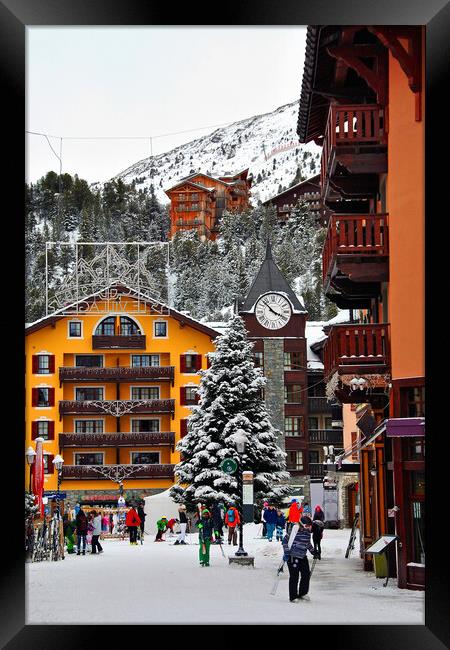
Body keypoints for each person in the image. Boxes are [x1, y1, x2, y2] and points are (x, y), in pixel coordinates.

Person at [282, 515, 318, 602]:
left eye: (310, 525)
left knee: (306, 574)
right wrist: (286, 552)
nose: (309, 527)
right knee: (294, 576)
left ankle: (303, 593)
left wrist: (313, 551)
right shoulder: (294, 531)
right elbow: (285, 541)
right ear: (303, 524)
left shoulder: (307, 533)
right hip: (292, 556)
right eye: (308, 525)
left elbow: (307, 543)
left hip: (302, 556)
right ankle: (293, 596)